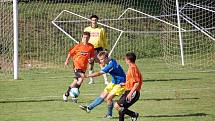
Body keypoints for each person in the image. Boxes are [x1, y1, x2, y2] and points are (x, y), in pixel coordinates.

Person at [79, 51, 126, 118]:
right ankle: (89, 108)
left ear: (106, 58)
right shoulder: (112, 61)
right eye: (99, 59)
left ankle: (109, 115)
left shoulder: (111, 65)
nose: (100, 61)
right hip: (114, 82)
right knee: (103, 95)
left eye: (102, 59)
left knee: (108, 98)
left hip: (121, 83)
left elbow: (99, 73)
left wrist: (87, 76)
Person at [63, 32, 95, 102]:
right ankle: (74, 95)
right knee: (81, 78)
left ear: (89, 38)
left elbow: (92, 56)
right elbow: (70, 53)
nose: (85, 39)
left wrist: (91, 59)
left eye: (87, 38)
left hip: (84, 67)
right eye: (84, 37)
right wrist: (67, 60)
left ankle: (66, 94)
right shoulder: (78, 46)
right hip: (76, 66)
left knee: (75, 81)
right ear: (82, 38)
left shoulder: (91, 47)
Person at [114, 52, 143, 121]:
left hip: (132, 92)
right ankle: (133, 115)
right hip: (129, 90)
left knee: (118, 106)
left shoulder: (133, 68)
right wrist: (124, 84)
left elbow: (137, 82)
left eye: (125, 59)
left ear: (128, 60)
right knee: (120, 108)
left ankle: (133, 114)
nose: (125, 60)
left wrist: (130, 93)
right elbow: (132, 81)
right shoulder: (131, 67)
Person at [84, 15, 109, 85]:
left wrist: (106, 48)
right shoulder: (87, 29)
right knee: (90, 65)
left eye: (95, 20)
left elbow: (104, 39)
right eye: (93, 20)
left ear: (97, 21)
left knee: (102, 64)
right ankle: (91, 80)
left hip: (99, 49)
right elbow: (84, 38)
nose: (94, 21)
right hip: (90, 49)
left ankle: (106, 80)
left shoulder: (101, 29)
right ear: (90, 21)